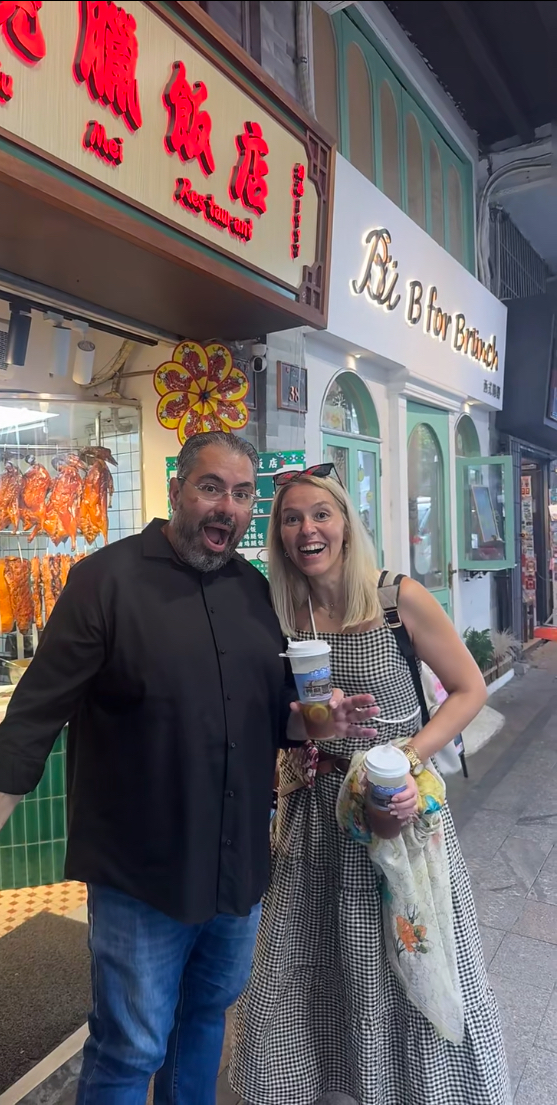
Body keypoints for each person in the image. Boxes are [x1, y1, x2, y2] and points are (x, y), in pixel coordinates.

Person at [0, 433, 378, 1105]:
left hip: (234, 867)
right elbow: (35, 715)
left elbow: (269, 717)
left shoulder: (253, 591)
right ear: (178, 489)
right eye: (212, 487)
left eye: (242, 494)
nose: (227, 508)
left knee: (205, 1020)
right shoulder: (105, 580)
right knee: (131, 1046)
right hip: (139, 874)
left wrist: (316, 723)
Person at [229, 464, 510, 1105]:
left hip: (396, 805)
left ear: (346, 524)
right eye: (292, 518)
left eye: (321, 514)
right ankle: (315, 1081)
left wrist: (407, 759)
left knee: (406, 949)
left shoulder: (396, 599)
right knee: (309, 957)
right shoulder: (280, 611)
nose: (308, 529)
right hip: (314, 811)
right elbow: (293, 715)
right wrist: (312, 731)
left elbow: (469, 690)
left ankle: (413, 1089)